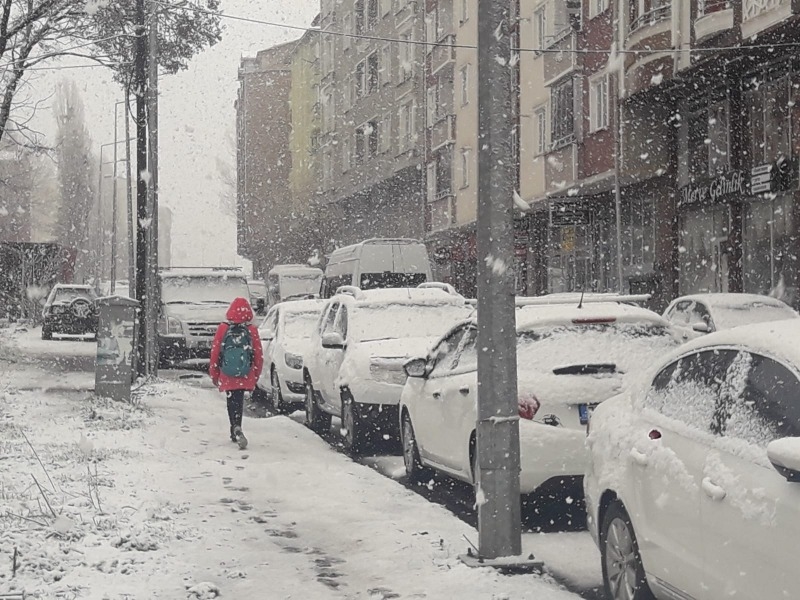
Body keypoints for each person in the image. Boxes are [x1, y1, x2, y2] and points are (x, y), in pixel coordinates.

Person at [209, 297, 263, 448]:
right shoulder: (251, 330)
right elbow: (258, 355)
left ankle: (234, 427)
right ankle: (237, 426)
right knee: (239, 399)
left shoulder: (223, 328)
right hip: (245, 371)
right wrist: (255, 374)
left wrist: (214, 373)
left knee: (231, 399)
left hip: (227, 372)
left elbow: (215, 353)